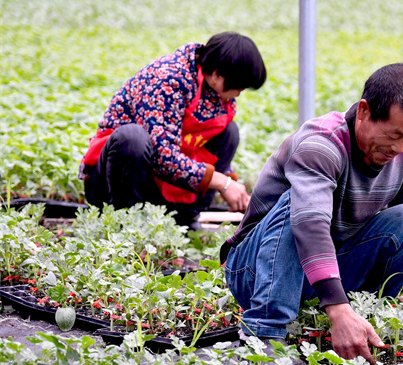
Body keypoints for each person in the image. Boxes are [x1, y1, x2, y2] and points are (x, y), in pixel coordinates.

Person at [221, 63, 403, 363]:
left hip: (320, 273)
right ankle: (265, 333)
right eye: (394, 135)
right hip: (255, 270)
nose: (400, 148)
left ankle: (358, 317)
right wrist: (336, 308)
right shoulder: (321, 145)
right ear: (364, 111)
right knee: (299, 206)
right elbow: (310, 226)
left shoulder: (402, 153)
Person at [79, 32, 267, 229]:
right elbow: (163, 158)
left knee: (229, 132)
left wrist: (232, 185)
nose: (239, 93)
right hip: (114, 183)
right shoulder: (168, 79)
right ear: (217, 75)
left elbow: (196, 144)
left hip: (159, 184)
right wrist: (222, 183)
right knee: (132, 138)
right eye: (239, 86)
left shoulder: (218, 92)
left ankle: (185, 220)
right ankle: (126, 225)